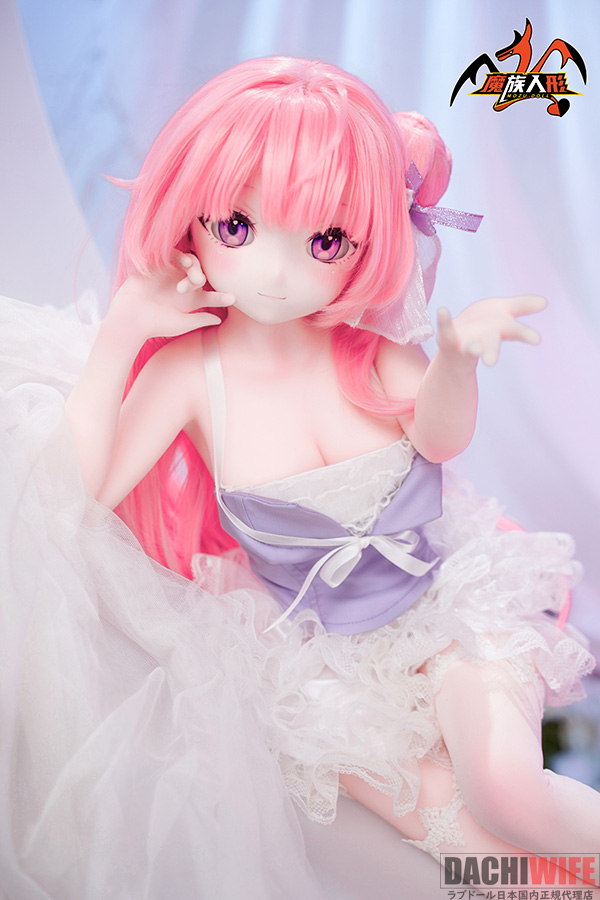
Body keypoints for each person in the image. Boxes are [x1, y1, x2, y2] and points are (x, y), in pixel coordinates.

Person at [2, 56, 598, 897]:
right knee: (472, 851)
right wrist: (124, 328)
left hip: (449, 606)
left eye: (324, 241)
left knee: (506, 793)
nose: (278, 274)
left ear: (367, 241)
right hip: (320, 666)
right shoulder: (188, 374)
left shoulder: (371, 351)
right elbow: (83, 492)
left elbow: (439, 437)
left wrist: (457, 361)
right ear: (189, 216)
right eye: (237, 226)